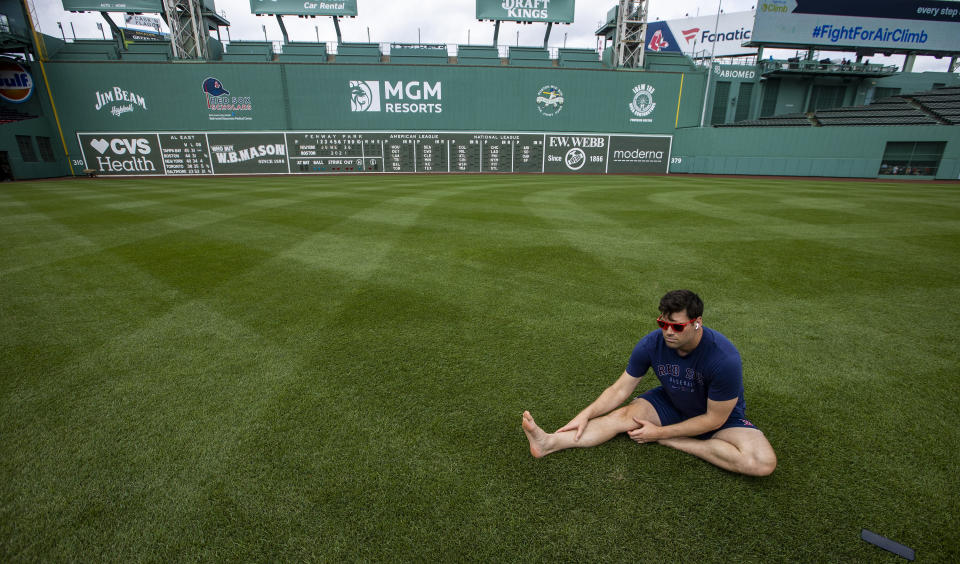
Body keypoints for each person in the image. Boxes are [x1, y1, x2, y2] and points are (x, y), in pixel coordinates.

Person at [521, 290, 777, 476]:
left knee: (762, 463)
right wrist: (585, 414)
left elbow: (714, 420)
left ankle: (682, 443)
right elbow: (620, 389)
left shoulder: (724, 358)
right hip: (672, 402)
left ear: (697, 323)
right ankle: (549, 443)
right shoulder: (652, 343)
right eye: (663, 323)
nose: (667, 332)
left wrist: (661, 434)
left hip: (719, 416)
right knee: (620, 417)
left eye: (676, 327)